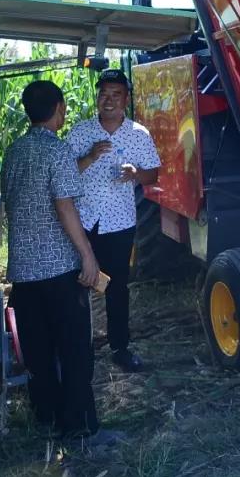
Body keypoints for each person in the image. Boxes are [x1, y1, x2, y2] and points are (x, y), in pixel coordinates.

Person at [2, 80, 116, 444]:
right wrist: (88, 255)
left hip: (23, 272)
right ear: (59, 108)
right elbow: (64, 206)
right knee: (73, 350)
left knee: (38, 350)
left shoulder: (14, 151)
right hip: (58, 273)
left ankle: (47, 417)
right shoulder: (57, 151)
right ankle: (81, 427)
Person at [67, 69, 161, 372]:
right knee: (77, 285)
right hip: (82, 223)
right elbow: (64, 177)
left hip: (119, 223)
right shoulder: (81, 133)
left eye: (115, 94)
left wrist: (136, 175)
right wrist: (90, 157)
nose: (108, 100)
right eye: (103, 94)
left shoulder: (139, 135)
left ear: (126, 99)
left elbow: (153, 175)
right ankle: (78, 348)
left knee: (117, 287)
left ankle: (120, 347)